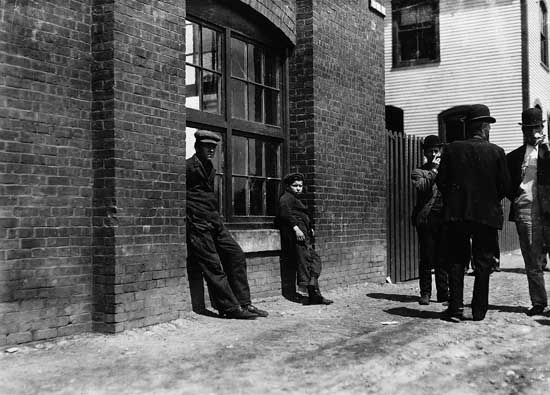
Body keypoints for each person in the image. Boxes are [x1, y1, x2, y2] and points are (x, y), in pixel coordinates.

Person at [436, 104, 510, 321]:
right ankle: (478, 311)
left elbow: (441, 181)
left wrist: (456, 200)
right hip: (486, 216)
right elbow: (505, 186)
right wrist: (488, 200)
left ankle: (456, 308)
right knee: (483, 262)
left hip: (457, 214)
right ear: (485, 128)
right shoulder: (497, 152)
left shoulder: (451, 149)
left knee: (457, 260)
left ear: (469, 128)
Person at [186, 129, 268, 319]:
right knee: (213, 266)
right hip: (197, 224)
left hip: (214, 221)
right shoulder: (188, 167)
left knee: (236, 254)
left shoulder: (210, 169)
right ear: (197, 147)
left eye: (214, 148)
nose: (211, 151)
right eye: (207, 147)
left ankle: (244, 303)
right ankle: (229, 308)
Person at [506, 107, 550, 316]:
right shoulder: (514, 157)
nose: (533, 133)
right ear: (523, 131)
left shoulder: (548, 153)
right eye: (528, 129)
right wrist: (516, 197)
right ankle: (539, 302)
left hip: (548, 211)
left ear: (543, 128)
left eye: (537, 128)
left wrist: (547, 151)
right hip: (525, 210)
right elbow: (505, 184)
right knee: (532, 260)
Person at [276, 173, 333, 305]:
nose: (298, 188)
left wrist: (310, 227)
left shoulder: (295, 199)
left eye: (300, 186)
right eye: (295, 185)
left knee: (313, 259)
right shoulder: (286, 198)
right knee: (305, 262)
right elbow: (285, 214)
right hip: (297, 237)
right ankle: (313, 295)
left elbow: (303, 214)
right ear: (288, 186)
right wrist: (296, 228)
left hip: (304, 235)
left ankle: (312, 286)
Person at [410, 135, 449, 305]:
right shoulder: (418, 171)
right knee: (426, 257)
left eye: (436, 150)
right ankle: (425, 293)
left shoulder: (447, 170)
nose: (434, 154)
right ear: (425, 153)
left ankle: (443, 293)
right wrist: (434, 170)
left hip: (444, 218)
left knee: (442, 257)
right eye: (430, 151)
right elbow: (422, 186)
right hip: (426, 219)